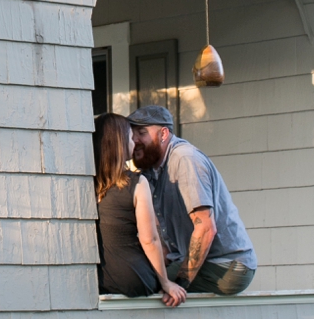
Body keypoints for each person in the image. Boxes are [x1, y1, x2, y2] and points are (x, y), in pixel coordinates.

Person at [128, 105, 257, 296]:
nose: (135, 140)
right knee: (139, 275)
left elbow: (205, 227)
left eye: (142, 132)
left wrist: (180, 283)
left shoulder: (185, 159)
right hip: (198, 262)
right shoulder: (152, 171)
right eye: (132, 134)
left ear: (164, 134)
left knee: (146, 283)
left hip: (227, 266)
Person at [93, 113, 187, 307]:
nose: (134, 141)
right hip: (133, 278)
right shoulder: (136, 182)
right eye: (130, 136)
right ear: (119, 143)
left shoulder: (91, 185)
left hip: (98, 279)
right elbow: (149, 239)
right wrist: (166, 283)